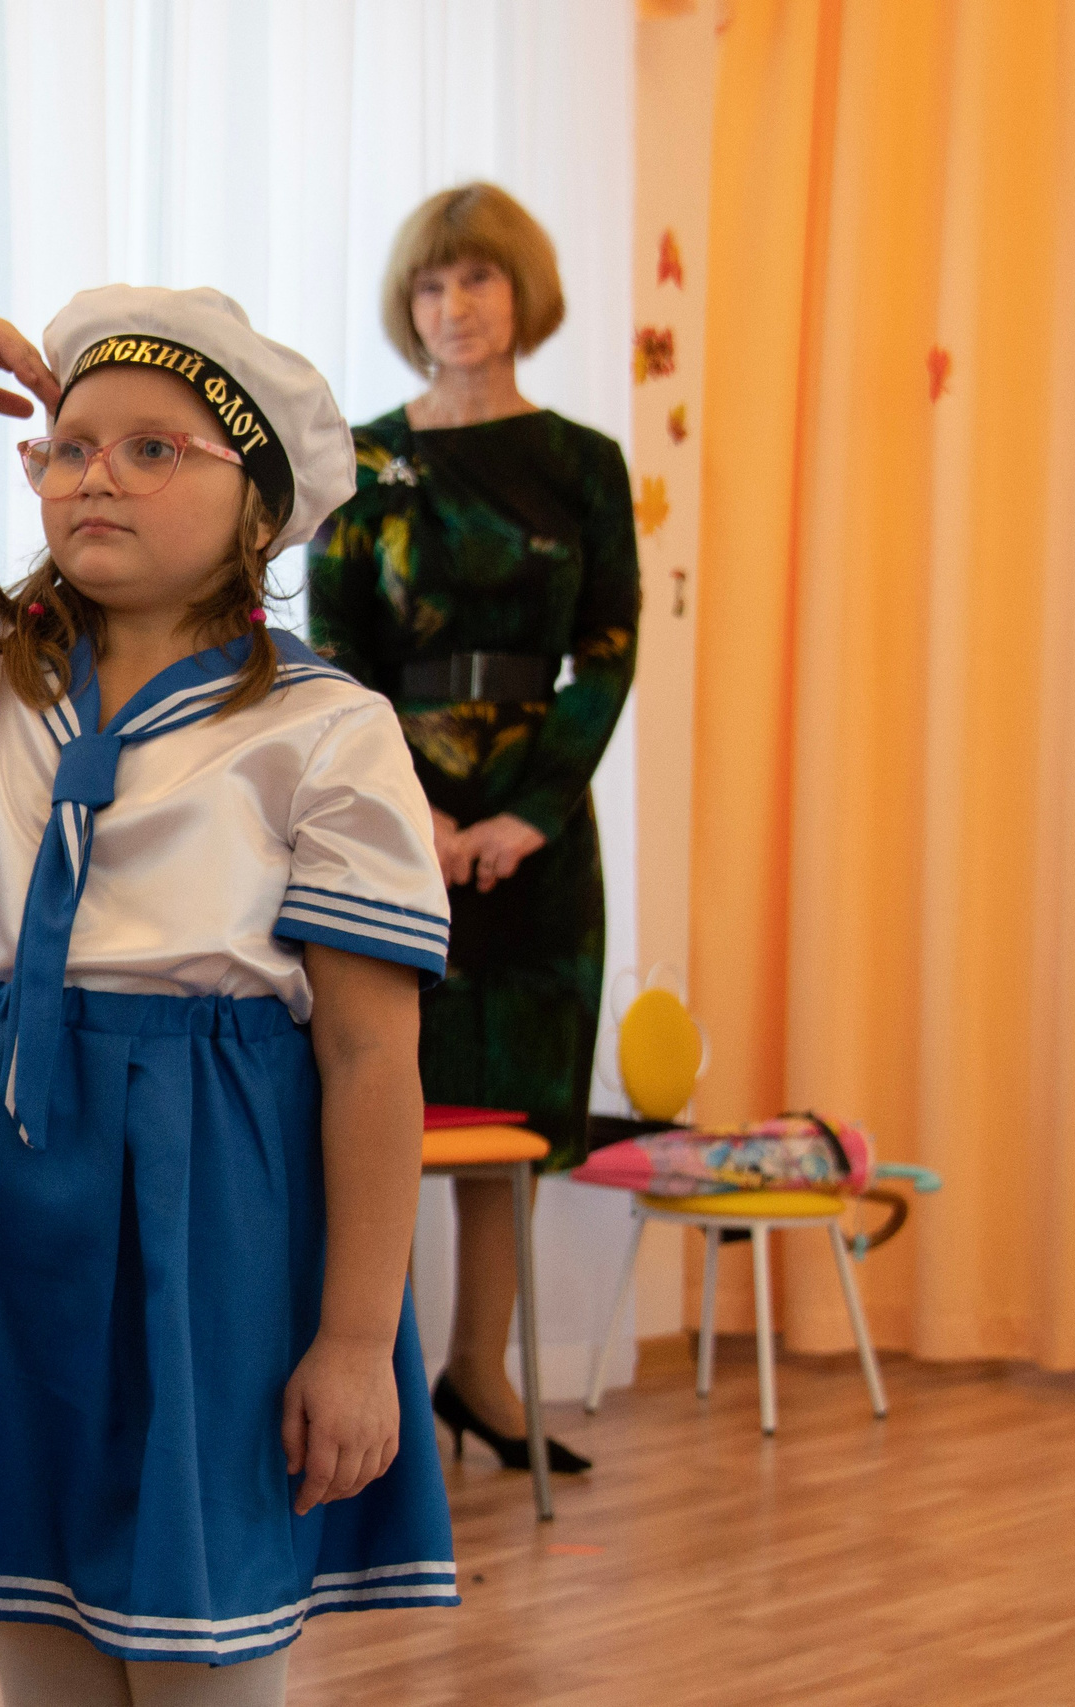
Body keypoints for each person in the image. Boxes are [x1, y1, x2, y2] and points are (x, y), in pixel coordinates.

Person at [0, 288, 458, 1704]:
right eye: (67, 443)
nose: (93, 469)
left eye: (153, 448)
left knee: (204, 1652)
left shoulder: (325, 728)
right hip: (0, 1185)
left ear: (256, 509)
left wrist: (356, 1339)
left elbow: (368, 1056)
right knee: (35, 1642)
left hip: (214, 1213)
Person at [307, 183, 638, 1476]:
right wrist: (423, 810)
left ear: (524, 295)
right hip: (394, 821)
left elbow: (606, 656)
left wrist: (521, 815)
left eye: (480, 281)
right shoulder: (367, 457)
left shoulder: (583, 465)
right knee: (377, 1099)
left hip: (540, 838)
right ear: (411, 306)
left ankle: (480, 1372)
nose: (457, 307)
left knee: (512, 1115)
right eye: (434, 286)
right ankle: (364, 1384)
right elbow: (333, 655)